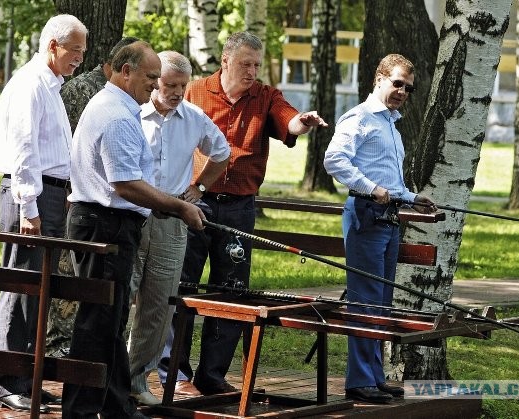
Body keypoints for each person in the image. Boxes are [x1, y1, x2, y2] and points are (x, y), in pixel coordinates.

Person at [157, 31, 328, 396]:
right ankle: (173, 370)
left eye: (256, 64)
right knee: (181, 284)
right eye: (245, 64)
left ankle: (212, 375)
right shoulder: (196, 91)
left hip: (238, 208)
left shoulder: (265, 96)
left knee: (230, 292)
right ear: (225, 61)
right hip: (194, 203)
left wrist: (303, 121)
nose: (251, 71)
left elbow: (288, 120)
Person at [61, 40, 205, 419]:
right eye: (151, 77)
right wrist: (179, 206)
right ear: (126, 71)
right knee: (98, 321)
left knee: (109, 319)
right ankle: (81, 409)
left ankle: (115, 405)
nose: (156, 85)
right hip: (105, 226)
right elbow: (126, 184)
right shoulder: (119, 115)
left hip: (104, 222)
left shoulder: (116, 105)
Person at [323, 53, 436, 404]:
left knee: (382, 303)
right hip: (365, 215)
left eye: (408, 88)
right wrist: (371, 189)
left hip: (389, 219)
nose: (403, 91)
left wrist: (412, 197)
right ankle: (359, 381)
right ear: (379, 79)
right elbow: (334, 160)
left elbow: (388, 178)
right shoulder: (359, 118)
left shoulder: (391, 122)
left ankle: (373, 376)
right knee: (365, 301)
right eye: (397, 83)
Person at [0, 14, 87, 414]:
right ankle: (6, 381)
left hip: (48, 194)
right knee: (21, 286)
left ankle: (26, 379)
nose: (79, 58)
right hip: (28, 194)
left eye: (82, 51)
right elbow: (24, 151)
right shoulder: (31, 85)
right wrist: (30, 208)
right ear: (52, 45)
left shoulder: (50, 85)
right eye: (75, 50)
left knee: (39, 290)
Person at [126, 50, 231, 406]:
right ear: (155, 82)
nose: (176, 92)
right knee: (124, 296)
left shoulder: (194, 118)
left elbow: (222, 152)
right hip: (133, 211)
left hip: (173, 219)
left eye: (182, 86)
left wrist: (199, 189)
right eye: (170, 85)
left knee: (160, 304)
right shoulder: (132, 113)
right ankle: (105, 377)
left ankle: (136, 381)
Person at [45, 36, 140, 359]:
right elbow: (68, 145)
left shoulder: (129, 98)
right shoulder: (83, 91)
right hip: (80, 198)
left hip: (102, 203)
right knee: (73, 285)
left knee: (106, 305)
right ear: (121, 67)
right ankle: (59, 346)